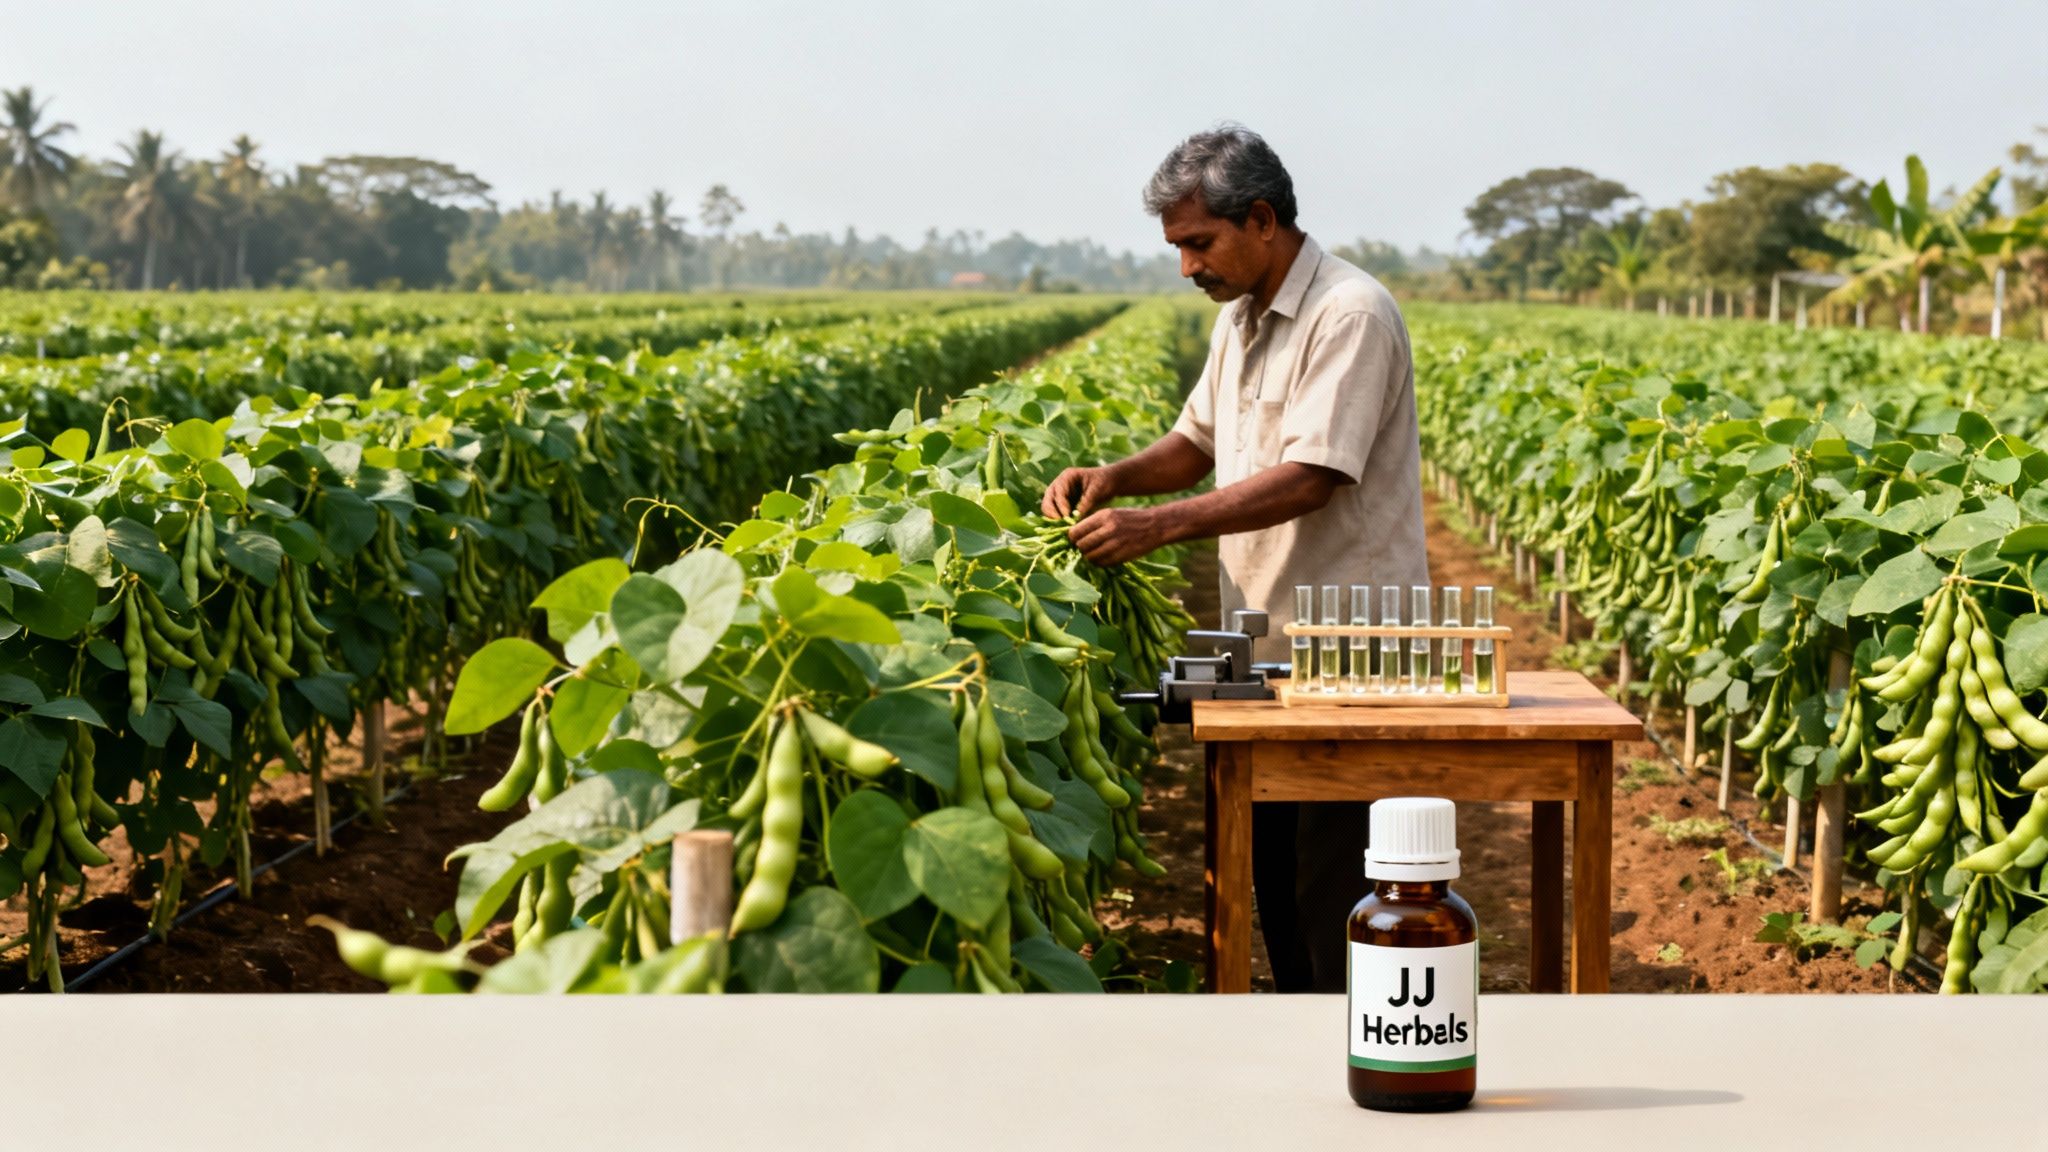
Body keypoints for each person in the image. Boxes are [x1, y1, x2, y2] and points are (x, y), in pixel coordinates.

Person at [1040, 124, 1428, 993]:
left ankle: (1366, 1065)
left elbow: (1313, 477)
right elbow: (1194, 442)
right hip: (1268, 649)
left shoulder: (1348, 313)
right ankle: (1313, 1051)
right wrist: (1116, 478)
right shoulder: (1242, 319)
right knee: (1279, 886)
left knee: (1339, 885)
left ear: (1261, 219)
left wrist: (1159, 528)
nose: (1186, 267)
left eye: (1197, 243)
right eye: (1177, 246)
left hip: (1349, 656)